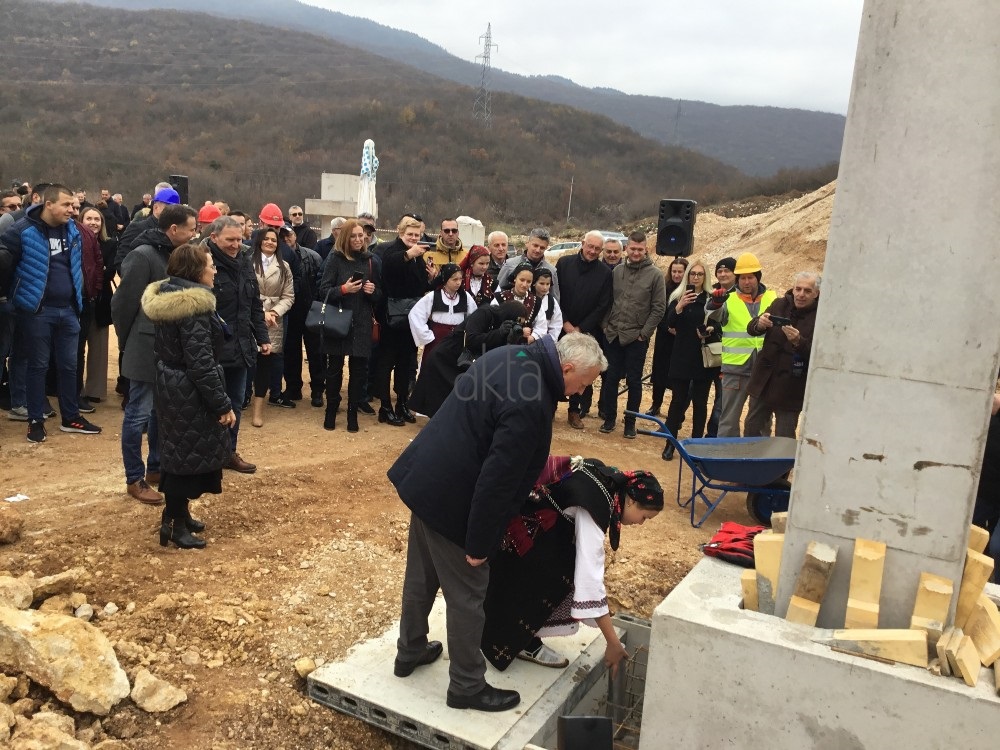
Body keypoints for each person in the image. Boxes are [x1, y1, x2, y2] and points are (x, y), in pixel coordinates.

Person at [389, 332, 606, 713]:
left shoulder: (512, 355)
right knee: (468, 595)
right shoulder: (532, 400)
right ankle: (467, 685)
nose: (580, 393)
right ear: (568, 368)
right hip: (456, 499)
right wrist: (478, 542)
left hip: (427, 478)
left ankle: (410, 650)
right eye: (583, 383)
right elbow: (498, 479)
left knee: (421, 577)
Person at [482, 457, 662, 673]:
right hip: (526, 536)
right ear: (631, 501)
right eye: (644, 517)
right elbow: (590, 576)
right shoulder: (595, 505)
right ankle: (515, 642)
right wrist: (612, 642)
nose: (640, 523)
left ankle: (525, 638)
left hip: (533, 525)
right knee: (552, 581)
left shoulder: (606, 479)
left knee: (561, 569)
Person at [141, 242, 236, 549]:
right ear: (196, 271)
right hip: (188, 390)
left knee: (179, 451)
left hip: (172, 385)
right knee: (185, 456)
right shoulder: (193, 308)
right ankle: (173, 524)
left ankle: (180, 514)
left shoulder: (170, 298)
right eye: (211, 265)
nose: (215, 270)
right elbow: (201, 363)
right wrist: (222, 404)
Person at [0, 184, 102, 443]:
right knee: (38, 366)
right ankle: (35, 420)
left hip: (68, 309)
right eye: (66, 205)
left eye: (73, 205)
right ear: (48, 204)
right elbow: (4, 264)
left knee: (69, 366)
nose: (72, 210)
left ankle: (71, 417)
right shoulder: (21, 230)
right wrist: (11, 298)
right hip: (36, 311)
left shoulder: (73, 231)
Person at [206, 216, 270, 474]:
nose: (235, 245)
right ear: (214, 237)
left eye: (239, 239)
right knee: (211, 406)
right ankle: (208, 456)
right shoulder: (202, 262)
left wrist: (262, 337)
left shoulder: (245, 260)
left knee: (235, 403)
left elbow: (254, 304)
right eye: (229, 240)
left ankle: (228, 452)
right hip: (213, 349)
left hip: (242, 346)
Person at [408, 301, 528, 419]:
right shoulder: (485, 313)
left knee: (460, 397)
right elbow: (472, 340)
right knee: (441, 398)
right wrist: (499, 333)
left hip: (466, 363)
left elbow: (515, 353)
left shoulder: (505, 326)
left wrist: (512, 339)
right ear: (509, 315)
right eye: (517, 321)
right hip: (447, 357)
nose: (518, 325)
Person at [599, 231, 666, 439]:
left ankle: (630, 422)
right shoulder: (617, 271)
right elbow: (609, 301)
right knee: (610, 379)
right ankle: (609, 418)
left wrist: (644, 334)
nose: (636, 253)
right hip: (613, 335)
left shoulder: (655, 275)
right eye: (632, 248)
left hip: (636, 338)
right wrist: (605, 325)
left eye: (640, 249)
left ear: (646, 249)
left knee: (634, 381)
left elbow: (659, 308)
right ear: (626, 248)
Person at [316, 219, 381, 432]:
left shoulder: (371, 260)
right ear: (345, 237)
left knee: (358, 372)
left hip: (361, 322)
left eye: (361, 235)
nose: (358, 239)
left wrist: (372, 291)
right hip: (338, 319)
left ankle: (353, 413)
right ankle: (331, 410)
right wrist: (343, 289)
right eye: (353, 236)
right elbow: (323, 290)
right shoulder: (335, 259)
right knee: (334, 369)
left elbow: (379, 295)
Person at [373, 215, 437, 427]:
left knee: (406, 361)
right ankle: (385, 406)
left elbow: (419, 286)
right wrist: (409, 254)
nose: (414, 238)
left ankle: (401, 403)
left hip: (411, 317)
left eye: (417, 235)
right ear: (401, 233)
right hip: (391, 316)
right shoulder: (392, 250)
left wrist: (431, 278)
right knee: (386, 362)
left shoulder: (418, 255)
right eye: (410, 234)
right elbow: (390, 268)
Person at [705, 252, 777, 437]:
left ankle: (757, 453)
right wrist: (715, 303)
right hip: (735, 370)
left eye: (750, 277)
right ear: (737, 279)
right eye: (742, 278)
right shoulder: (728, 300)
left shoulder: (772, 298)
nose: (746, 282)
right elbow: (712, 313)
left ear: (758, 277)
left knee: (761, 421)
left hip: (763, 369)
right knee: (728, 420)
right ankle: (726, 454)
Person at [744, 272, 821, 438]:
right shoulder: (779, 304)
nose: (801, 294)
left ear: (816, 293)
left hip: (791, 388)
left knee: (784, 439)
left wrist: (799, 342)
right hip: (764, 382)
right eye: (798, 289)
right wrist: (760, 324)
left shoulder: (821, 316)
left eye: (807, 291)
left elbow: (820, 356)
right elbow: (751, 328)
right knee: (752, 430)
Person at [661, 259, 721, 461]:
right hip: (681, 354)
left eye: (699, 274)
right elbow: (669, 323)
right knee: (677, 401)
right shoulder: (678, 296)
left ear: (705, 277)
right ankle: (670, 444)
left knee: (700, 402)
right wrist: (679, 307)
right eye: (692, 274)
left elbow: (719, 325)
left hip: (702, 356)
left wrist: (709, 329)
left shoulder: (711, 299)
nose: (695, 277)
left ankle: (695, 445)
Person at [556, 231, 613, 429]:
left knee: (581, 370)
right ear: (583, 243)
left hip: (587, 330)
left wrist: (580, 328)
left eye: (597, 249)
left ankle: (574, 410)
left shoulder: (605, 273)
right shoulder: (564, 264)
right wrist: (565, 323)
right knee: (558, 366)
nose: (593, 251)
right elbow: (555, 295)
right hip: (560, 325)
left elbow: (603, 305)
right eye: (590, 246)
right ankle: (550, 406)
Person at [248, 227, 295, 427]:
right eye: (266, 239)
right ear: (259, 241)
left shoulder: (284, 267)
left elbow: (289, 296)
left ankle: (258, 409)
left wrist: (274, 312)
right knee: (247, 359)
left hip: (274, 320)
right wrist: (262, 311)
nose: (270, 242)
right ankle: (243, 399)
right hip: (251, 316)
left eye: (274, 240)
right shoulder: (248, 262)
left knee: (266, 362)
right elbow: (245, 292)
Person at [78, 206, 118, 406]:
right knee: (76, 349)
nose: (93, 222)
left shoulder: (110, 244)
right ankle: (75, 388)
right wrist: (97, 269)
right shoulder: (74, 241)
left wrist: (94, 270)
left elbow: (110, 271)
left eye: (97, 219)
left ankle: (95, 390)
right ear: (81, 221)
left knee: (99, 348)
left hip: (101, 301)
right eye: (89, 218)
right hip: (78, 301)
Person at [647, 257, 688, 417]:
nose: (676, 275)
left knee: (679, 376)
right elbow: (658, 311)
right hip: (665, 337)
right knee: (660, 373)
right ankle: (655, 404)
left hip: (682, 340)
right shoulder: (664, 288)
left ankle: (677, 411)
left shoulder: (689, 290)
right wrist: (668, 327)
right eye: (674, 271)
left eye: (680, 272)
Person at [409, 263, 475, 361]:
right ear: (445, 279)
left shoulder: (465, 297)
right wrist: (427, 336)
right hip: (437, 341)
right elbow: (415, 314)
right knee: (435, 366)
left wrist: (469, 336)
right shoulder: (433, 296)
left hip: (458, 342)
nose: (458, 283)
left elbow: (474, 317)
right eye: (454, 279)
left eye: (460, 279)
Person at [705, 257, 736, 437]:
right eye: (719, 271)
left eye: (727, 271)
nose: (723, 274)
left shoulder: (740, 296)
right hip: (707, 352)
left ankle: (712, 436)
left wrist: (715, 328)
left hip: (729, 356)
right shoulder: (712, 292)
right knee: (690, 393)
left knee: (721, 401)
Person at [496, 228, 559, 300]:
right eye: (535, 245)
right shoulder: (510, 265)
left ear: (546, 248)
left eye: (542, 248)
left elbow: (555, 298)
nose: (538, 250)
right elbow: (498, 290)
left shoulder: (551, 271)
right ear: (527, 243)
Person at [491, 263, 546, 341]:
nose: (524, 284)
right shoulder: (500, 298)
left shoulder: (536, 301)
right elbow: (491, 322)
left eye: (528, 281)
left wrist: (533, 336)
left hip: (526, 343)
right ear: (515, 278)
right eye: (522, 280)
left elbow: (541, 326)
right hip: (501, 342)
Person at [531, 267, 563, 340]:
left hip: (545, 341)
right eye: (541, 283)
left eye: (547, 284)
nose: (545, 287)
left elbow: (556, 324)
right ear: (534, 283)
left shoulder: (552, 301)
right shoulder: (528, 298)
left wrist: (549, 340)